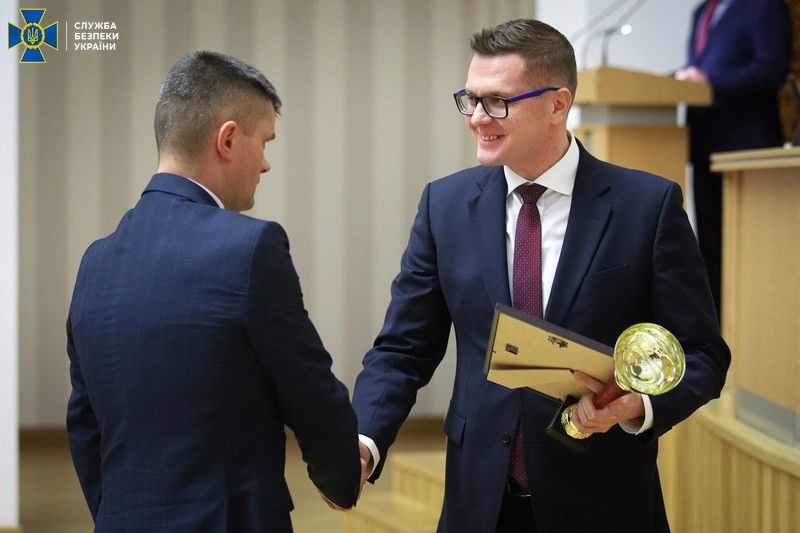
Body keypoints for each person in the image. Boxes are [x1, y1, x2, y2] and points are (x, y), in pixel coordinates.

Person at [352, 19, 730, 532]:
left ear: (557, 104)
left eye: (497, 101)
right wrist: (364, 440)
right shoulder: (444, 205)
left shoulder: (647, 206)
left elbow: (702, 353)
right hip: (479, 505)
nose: (477, 118)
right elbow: (403, 347)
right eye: (470, 99)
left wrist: (635, 405)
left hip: (603, 504)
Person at [66, 51, 361, 531]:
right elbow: (308, 388)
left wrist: (117, 514)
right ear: (227, 139)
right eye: (264, 142)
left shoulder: (95, 261)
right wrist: (341, 477)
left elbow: (84, 422)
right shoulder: (250, 248)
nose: (266, 164)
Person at [676, 0, 792, 318]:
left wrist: (710, 81)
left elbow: (771, 70)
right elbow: (699, 68)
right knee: (711, 247)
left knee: (747, 251)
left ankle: (748, 324)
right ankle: (715, 328)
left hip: (746, 148)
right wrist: (681, 79)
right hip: (705, 144)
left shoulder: (764, 6)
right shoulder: (702, 11)